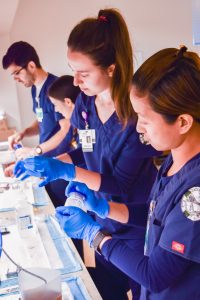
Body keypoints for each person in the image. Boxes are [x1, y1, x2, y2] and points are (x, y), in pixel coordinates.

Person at [14, 9, 160, 300]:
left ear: (111, 68)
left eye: (84, 73)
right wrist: (53, 164)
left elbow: (118, 184)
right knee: (103, 288)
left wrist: (66, 172)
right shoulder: (86, 104)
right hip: (100, 215)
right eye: (73, 71)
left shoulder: (136, 118)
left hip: (132, 222)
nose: (76, 82)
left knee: (137, 290)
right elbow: (86, 152)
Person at [54, 46, 200, 299]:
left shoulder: (195, 192)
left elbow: (155, 275)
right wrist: (104, 208)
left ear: (183, 122)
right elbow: (157, 216)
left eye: (144, 118)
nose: (138, 128)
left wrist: (94, 234)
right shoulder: (174, 160)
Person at [2, 41, 71, 158]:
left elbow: (66, 130)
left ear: (31, 66)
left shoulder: (55, 88)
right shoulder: (35, 89)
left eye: (17, 73)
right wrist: (24, 133)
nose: (16, 79)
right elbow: (42, 121)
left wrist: (35, 151)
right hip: (46, 157)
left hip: (61, 160)